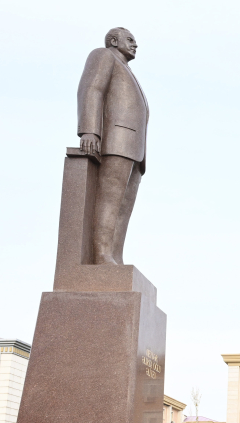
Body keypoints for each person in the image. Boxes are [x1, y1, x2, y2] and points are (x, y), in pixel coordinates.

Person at [77, 27, 149, 265]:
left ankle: (114, 257)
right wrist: (90, 130)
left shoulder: (126, 70)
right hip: (115, 141)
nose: (135, 45)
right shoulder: (103, 55)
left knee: (123, 206)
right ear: (114, 40)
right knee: (109, 199)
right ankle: (102, 255)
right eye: (130, 40)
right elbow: (92, 89)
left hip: (133, 146)